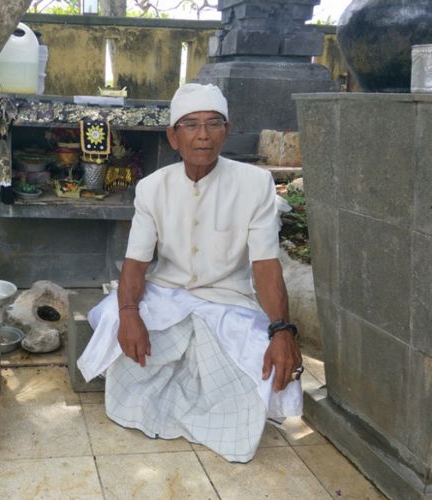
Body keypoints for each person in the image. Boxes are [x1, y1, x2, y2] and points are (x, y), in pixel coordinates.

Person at [77, 83, 303, 463]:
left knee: (258, 361)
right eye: (191, 125)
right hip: (167, 294)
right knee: (118, 324)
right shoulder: (152, 189)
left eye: (214, 124)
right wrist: (130, 314)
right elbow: (136, 263)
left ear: (226, 131)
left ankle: (219, 419)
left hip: (229, 300)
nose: (203, 135)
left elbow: (265, 265)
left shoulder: (254, 184)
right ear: (173, 136)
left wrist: (282, 329)